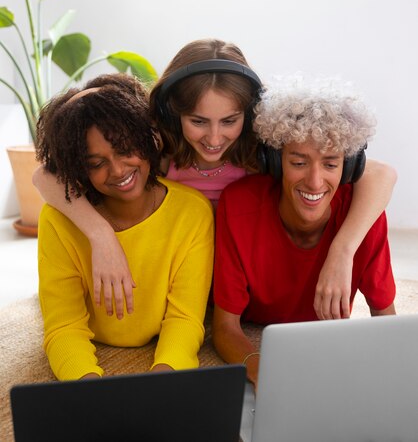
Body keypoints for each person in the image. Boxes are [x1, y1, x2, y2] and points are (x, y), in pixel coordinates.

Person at [33, 39, 397, 322]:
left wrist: (342, 251)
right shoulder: (159, 152)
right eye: (198, 121)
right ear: (172, 113)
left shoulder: (260, 155)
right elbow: (43, 175)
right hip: (175, 280)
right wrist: (100, 235)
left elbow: (382, 174)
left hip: (235, 286)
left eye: (229, 121)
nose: (214, 138)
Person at [212, 75, 396, 389]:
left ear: (349, 167)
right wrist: (262, 372)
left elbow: (388, 322)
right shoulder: (238, 206)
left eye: (330, 164)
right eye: (298, 162)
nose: (314, 182)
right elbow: (225, 327)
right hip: (257, 327)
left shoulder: (362, 217)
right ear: (276, 161)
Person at [36, 74, 214, 380]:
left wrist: (165, 375)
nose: (117, 170)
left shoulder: (192, 212)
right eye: (95, 163)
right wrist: (88, 384)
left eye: (124, 149)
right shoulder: (58, 221)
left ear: (147, 138)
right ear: (78, 167)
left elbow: (184, 319)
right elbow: (64, 326)